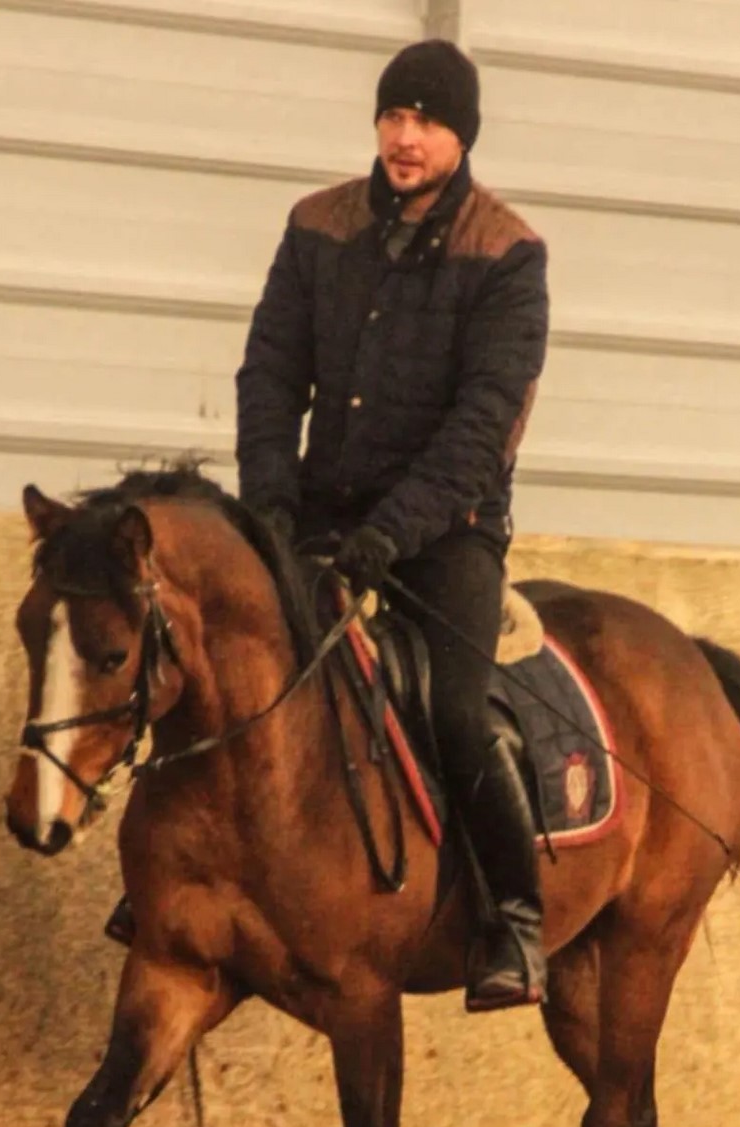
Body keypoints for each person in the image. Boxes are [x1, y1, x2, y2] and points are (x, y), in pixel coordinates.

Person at [236, 38, 550, 1011]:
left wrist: (389, 535)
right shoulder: (315, 225)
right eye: (392, 117)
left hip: (446, 529)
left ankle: (516, 916)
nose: (404, 138)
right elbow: (269, 375)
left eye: (426, 122)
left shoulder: (506, 254)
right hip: (317, 515)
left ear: (460, 137)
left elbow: (481, 427)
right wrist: (270, 509)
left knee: (455, 710)